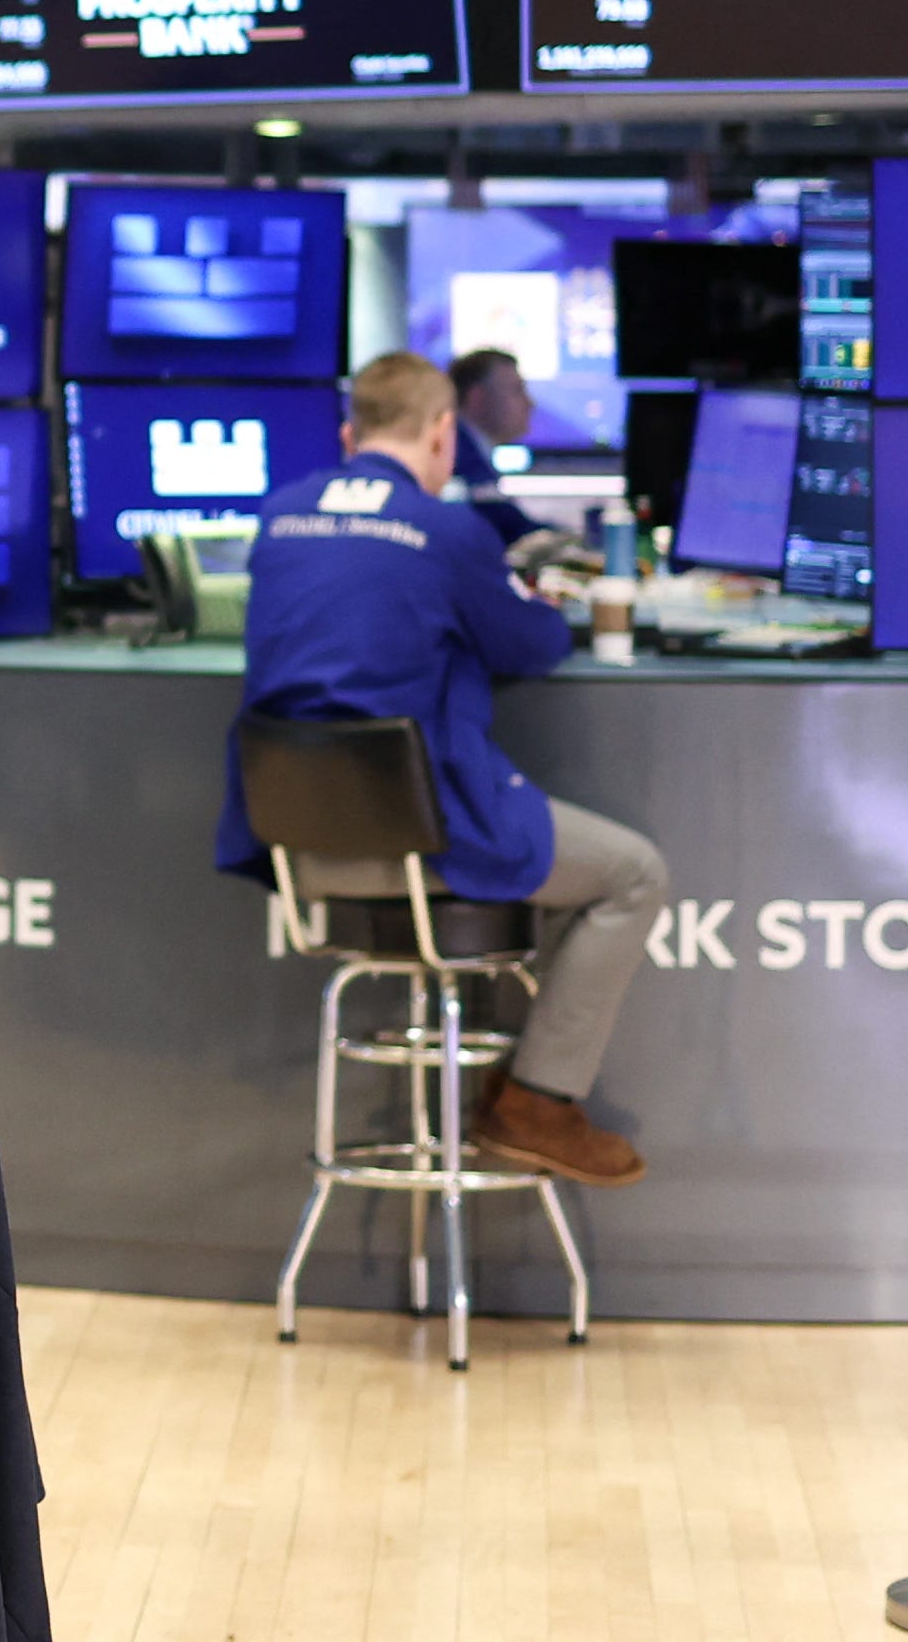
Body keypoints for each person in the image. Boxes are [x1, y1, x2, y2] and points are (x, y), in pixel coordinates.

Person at [216, 351, 666, 1189]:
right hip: (429, 842)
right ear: (442, 433)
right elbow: (532, 644)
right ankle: (538, 1102)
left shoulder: (280, 517)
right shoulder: (447, 530)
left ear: (351, 434)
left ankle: (532, 1100)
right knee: (636, 874)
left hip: (300, 852)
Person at [444, 348, 591, 571]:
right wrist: (578, 537)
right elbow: (506, 528)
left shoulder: (468, 448)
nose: (530, 403)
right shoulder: (458, 455)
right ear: (478, 398)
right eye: (517, 391)